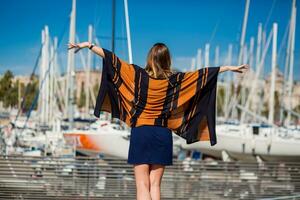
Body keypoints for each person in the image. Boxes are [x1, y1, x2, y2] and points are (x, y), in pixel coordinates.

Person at [68, 42, 248, 200]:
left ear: (150, 58)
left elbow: (112, 59)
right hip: (162, 135)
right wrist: (228, 68)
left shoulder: (138, 75)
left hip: (142, 132)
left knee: (142, 185)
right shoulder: (175, 81)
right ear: (167, 60)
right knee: (155, 185)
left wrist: (89, 45)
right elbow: (202, 75)